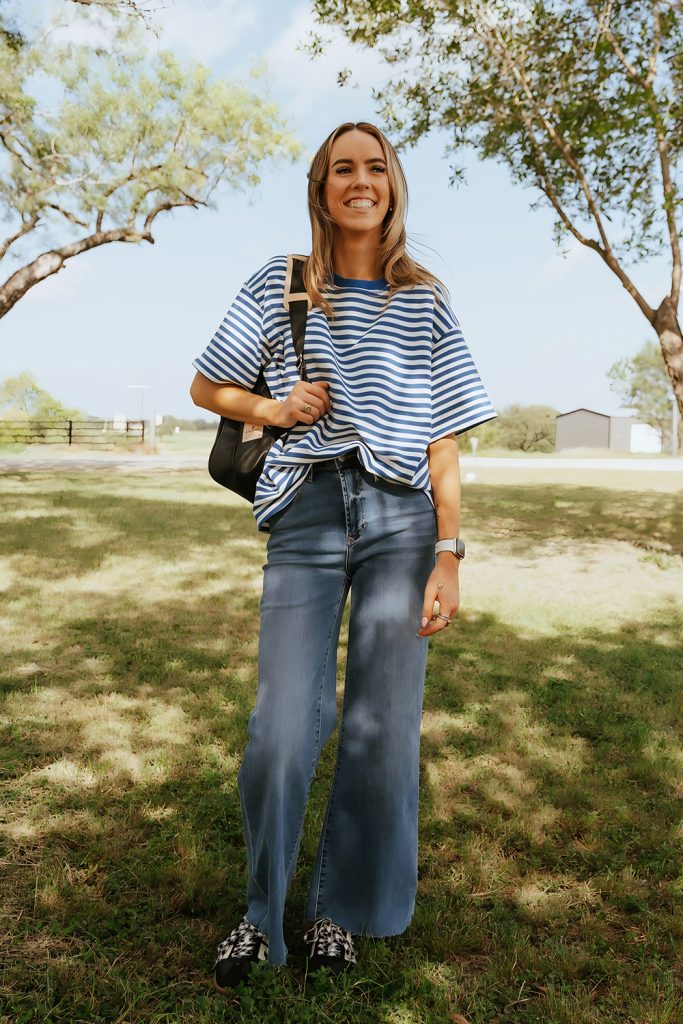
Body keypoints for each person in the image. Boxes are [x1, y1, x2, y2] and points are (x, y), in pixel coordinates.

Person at [189, 121, 496, 989]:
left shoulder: (425, 299)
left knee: (382, 728)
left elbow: (442, 438)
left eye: (374, 168)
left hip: (403, 520)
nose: (360, 181)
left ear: (392, 185)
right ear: (321, 190)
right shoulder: (281, 282)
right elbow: (206, 384)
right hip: (307, 511)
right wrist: (274, 407)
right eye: (341, 170)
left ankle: (337, 912)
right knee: (282, 725)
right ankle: (260, 915)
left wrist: (448, 552)